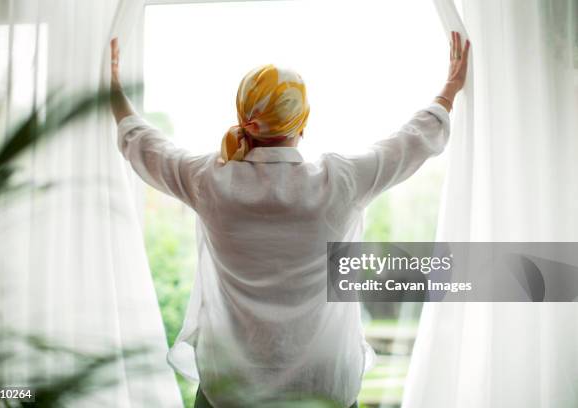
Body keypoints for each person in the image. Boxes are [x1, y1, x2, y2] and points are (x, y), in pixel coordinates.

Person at [109, 32, 470, 408]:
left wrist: (113, 90)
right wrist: (449, 90)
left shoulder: (210, 182)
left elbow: (144, 144)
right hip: (323, 388)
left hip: (228, 394)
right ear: (303, 123)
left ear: (243, 117)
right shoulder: (339, 183)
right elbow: (409, 143)